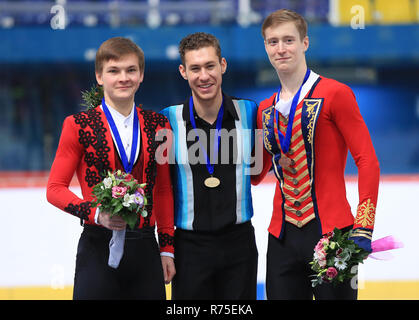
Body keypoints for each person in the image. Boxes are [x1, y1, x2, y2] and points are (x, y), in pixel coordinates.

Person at [257, 9, 380, 300]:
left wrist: (364, 224)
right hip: (281, 239)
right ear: (265, 46)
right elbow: (254, 175)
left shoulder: (336, 93)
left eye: (289, 40)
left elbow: (368, 161)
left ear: (305, 43)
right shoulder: (264, 109)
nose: (281, 48)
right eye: (273, 41)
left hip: (334, 234)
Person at [46, 37, 175, 300]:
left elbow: (162, 190)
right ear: (99, 77)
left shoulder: (159, 125)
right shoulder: (78, 125)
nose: (123, 78)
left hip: (146, 248)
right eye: (114, 71)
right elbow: (54, 189)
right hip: (96, 245)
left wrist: (167, 249)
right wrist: (95, 214)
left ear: (141, 75)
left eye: (131, 70)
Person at [160, 32, 261, 300]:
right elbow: (162, 191)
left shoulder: (251, 113)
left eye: (210, 66)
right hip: (189, 247)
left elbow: (259, 171)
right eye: (195, 68)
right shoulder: (166, 121)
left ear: (223, 65)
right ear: (183, 71)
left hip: (240, 245)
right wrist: (165, 248)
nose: (204, 76)